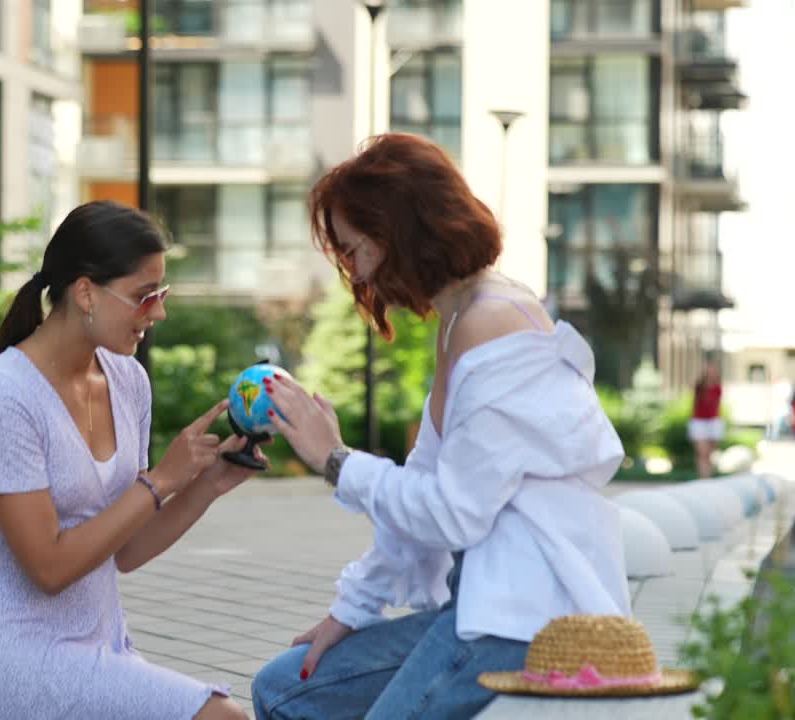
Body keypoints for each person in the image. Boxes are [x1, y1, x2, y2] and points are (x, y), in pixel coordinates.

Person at [249, 133, 631, 719]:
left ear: (398, 232)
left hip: (529, 618)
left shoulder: (493, 323)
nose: (352, 270)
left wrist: (335, 460)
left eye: (354, 249)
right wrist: (348, 613)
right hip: (482, 608)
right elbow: (422, 493)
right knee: (284, 689)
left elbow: (454, 512)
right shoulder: (461, 323)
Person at [0, 201, 260, 720]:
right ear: (85, 292)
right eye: (145, 297)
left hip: (97, 648)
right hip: (9, 656)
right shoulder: (2, 395)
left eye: (161, 294)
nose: (160, 313)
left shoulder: (128, 382)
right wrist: (160, 480)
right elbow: (50, 568)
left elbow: (124, 551)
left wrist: (208, 483)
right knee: (222, 717)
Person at [688, 361, 724, 479]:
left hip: (712, 422)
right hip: (699, 422)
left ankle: (708, 475)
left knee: (709, 454)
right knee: (702, 453)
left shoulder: (718, 388)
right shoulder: (699, 387)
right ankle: (704, 477)